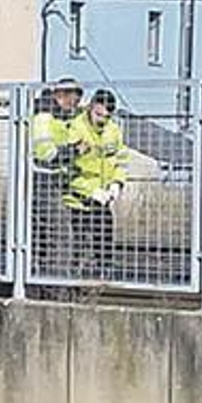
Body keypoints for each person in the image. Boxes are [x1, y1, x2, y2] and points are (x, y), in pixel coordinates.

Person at [64, 88, 128, 279]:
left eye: (106, 116)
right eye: (98, 114)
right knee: (78, 243)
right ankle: (73, 277)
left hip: (103, 199)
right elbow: (67, 169)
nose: (101, 120)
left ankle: (103, 275)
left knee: (105, 239)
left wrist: (117, 182)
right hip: (78, 200)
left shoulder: (113, 130)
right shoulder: (75, 129)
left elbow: (120, 160)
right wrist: (91, 191)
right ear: (90, 107)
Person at [31, 77, 83, 277]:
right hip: (42, 181)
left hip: (53, 182)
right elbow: (45, 153)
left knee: (43, 234)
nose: (74, 105)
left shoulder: (59, 118)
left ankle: (42, 277)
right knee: (60, 233)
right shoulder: (44, 117)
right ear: (60, 95)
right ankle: (56, 280)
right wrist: (73, 151)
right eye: (73, 100)